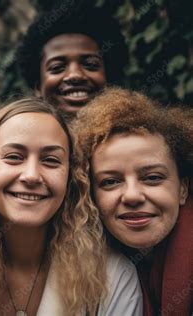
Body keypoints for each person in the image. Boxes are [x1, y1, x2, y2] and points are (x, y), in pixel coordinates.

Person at [0, 98, 142, 315]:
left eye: (51, 160)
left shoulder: (113, 276)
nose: (31, 176)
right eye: (14, 157)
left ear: (72, 178)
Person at [73, 87, 192, 315]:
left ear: (183, 189)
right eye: (110, 182)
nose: (132, 196)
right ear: (92, 196)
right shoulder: (89, 267)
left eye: (153, 178)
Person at [16, 4, 127, 117]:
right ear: (38, 86)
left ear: (108, 77)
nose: (75, 75)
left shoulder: (137, 132)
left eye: (90, 64)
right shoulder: (19, 132)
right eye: (57, 67)